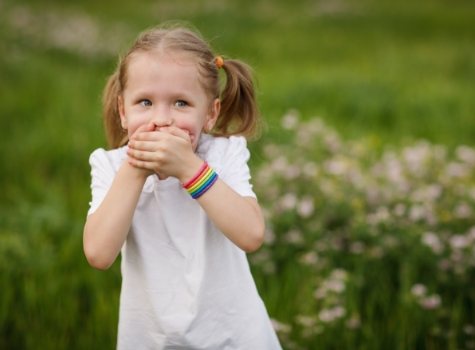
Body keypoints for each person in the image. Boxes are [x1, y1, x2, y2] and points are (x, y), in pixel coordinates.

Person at [83, 24, 282, 349]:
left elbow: (251, 235)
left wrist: (191, 170)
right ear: (123, 110)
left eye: (181, 103)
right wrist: (135, 170)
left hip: (232, 335)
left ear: (210, 113)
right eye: (145, 102)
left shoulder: (221, 154)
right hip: (151, 339)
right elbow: (98, 254)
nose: (162, 119)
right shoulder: (112, 167)